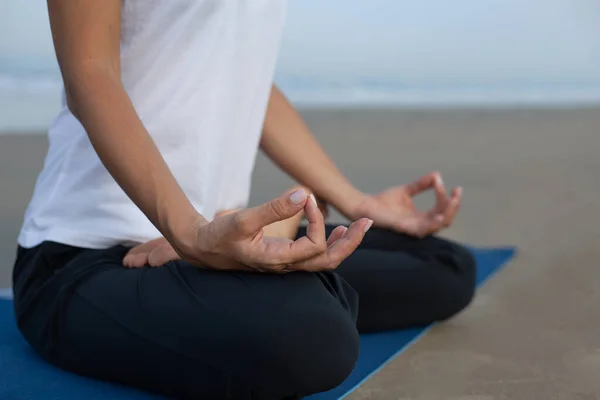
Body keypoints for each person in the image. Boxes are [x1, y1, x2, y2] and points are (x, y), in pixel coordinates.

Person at [12, 1, 475, 399]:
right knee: (314, 339)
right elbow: (90, 75)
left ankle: (245, 266)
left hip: (215, 242)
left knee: (446, 267)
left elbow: (246, 81)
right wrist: (189, 233)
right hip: (86, 257)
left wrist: (356, 203)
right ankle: (252, 268)